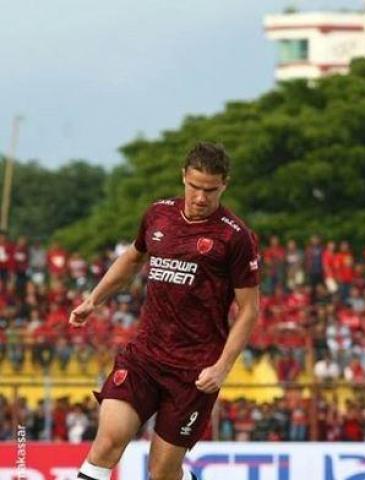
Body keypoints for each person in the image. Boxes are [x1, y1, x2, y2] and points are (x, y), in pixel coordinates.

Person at [69, 142, 260, 480]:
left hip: (193, 371)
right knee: (108, 443)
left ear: (224, 185)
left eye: (210, 190)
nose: (201, 197)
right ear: (183, 177)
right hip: (144, 356)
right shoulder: (158, 214)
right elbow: (132, 257)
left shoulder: (235, 237)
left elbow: (249, 310)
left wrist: (222, 367)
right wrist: (93, 300)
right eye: (195, 187)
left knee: (162, 472)